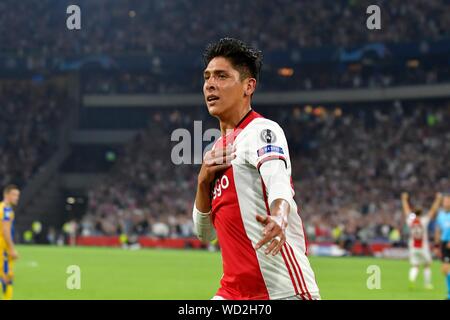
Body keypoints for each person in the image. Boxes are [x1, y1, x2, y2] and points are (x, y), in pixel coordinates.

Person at [192, 38, 320, 300]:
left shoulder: (262, 131)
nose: (210, 84)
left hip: (282, 290)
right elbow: (204, 234)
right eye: (207, 77)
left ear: (248, 86)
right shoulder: (216, 152)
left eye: (221, 76)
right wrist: (203, 180)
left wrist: (280, 215)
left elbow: (278, 181)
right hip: (232, 292)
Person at [401, 192, 442, 290]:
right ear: (422, 213)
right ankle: (427, 284)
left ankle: (412, 279)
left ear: (414, 213)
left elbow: (406, 210)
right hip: (423, 246)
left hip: (413, 246)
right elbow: (432, 210)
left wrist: (404, 199)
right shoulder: (424, 220)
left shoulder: (411, 221)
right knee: (427, 265)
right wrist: (438, 199)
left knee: (415, 265)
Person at [0, 185, 20, 300]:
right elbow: (6, 230)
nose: (17, 198)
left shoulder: (0, 207)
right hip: (3, 247)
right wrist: (12, 248)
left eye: (18, 195)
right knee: (7, 277)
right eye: (14, 194)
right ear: (6, 194)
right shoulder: (7, 210)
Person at [435, 194, 450, 299]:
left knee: (446, 268)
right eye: (445, 201)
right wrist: (437, 246)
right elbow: (438, 230)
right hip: (445, 244)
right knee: (445, 270)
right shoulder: (440, 215)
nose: (446, 202)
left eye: (448, 201)